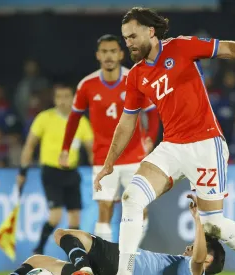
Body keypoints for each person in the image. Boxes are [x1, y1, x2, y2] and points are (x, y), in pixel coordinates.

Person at [93, 7, 235, 275]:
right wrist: (110, 162)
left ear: (150, 31)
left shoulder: (181, 47)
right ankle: (124, 272)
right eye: (125, 38)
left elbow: (223, 48)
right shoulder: (136, 75)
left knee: (213, 225)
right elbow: (127, 121)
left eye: (132, 36)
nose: (128, 42)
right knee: (132, 197)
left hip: (205, 145)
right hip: (172, 147)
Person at [60, 34, 159, 242]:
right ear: (98, 55)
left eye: (113, 51)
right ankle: (107, 262)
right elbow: (74, 118)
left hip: (134, 156)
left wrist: (150, 137)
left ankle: (130, 254)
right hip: (103, 157)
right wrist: (65, 149)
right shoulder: (87, 85)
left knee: (139, 207)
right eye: (104, 51)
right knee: (105, 209)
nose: (109, 56)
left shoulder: (135, 78)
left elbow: (152, 111)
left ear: (121, 54)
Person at [9, 194, 225, 275]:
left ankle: (83, 269)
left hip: (122, 262)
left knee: (63, 234)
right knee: (36, 260)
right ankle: (83, 270)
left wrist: (197, 219)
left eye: (199, 246)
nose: (191, 246)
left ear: (207, 259)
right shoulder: (181, 263)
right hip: (112, 265)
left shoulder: (194, 271)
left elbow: (196, 257)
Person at [17, 85, 94, 255]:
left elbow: (91, 149)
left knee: (75, 218)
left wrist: (99, 168)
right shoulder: (44, 118)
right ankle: (39, 249)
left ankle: (75, 257)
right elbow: (30, 145)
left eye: (66, 96)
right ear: (54, 99)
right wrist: (22, 171)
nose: (63, 100)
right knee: (56, 216)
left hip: (72, 173)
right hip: (51, 172)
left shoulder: (80, 121)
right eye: (59, 96)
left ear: (73, 98)